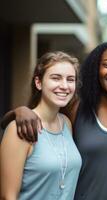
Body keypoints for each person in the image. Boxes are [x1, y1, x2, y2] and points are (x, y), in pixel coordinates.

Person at [0, 42, 107, 200]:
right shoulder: (75, 110)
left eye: (70, 79)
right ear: (96, 69)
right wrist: (18, 112)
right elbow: (40, 114)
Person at [0, 51, 82, 200]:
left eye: (70, 79)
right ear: (38, 82)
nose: (64, 86)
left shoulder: (66, 123)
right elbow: (8, 196)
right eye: (56, 78)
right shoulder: (19, 129)